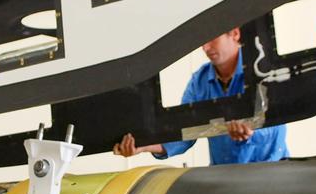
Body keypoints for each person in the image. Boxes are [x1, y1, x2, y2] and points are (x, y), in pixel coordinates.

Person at [113, 27, 288, 164]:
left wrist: (251, 132)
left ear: (234, 33)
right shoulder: (199, 81)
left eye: (212, 39)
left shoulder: (263, 71)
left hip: (271, 175)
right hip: (226, 182)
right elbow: (183, 133)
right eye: (202, 42)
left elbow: (276, 124)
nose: (205, 47)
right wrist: (144, 146)